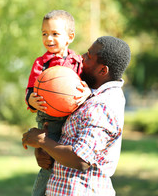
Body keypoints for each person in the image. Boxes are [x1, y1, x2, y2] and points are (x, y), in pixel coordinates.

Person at [22, 36, 131, 196]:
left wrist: (42, 141)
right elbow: (68, 140)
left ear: (103, 70)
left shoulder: (103, 104)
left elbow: (81, 160)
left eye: (88, 56)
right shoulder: (86, 96)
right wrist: (45, 151)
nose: (82, 58)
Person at [25, 10, 85, 196]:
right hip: (49, 120)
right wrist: (31, 100)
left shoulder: (78, 62)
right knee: (48, 163)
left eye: (55, 34)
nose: (48, 38)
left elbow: (84, 87)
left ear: (70, 37)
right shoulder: (41, 63)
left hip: (72, 119)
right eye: (44, 33)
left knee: (68, 160)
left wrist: (86, 93)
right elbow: (30, 90)